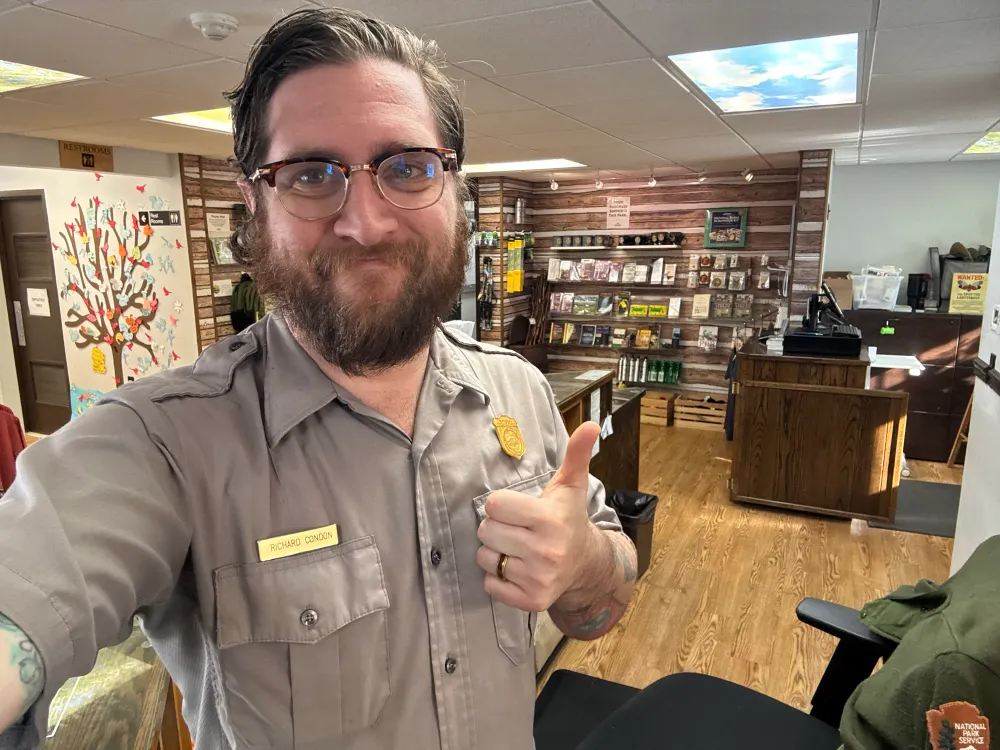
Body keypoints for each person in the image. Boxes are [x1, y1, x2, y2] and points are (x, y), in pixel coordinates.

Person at [0, 8, 637, 750]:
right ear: (254, 203)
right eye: (310, 174)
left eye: (407, 167)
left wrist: (583, 562)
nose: (366, 223)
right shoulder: (164, 442)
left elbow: (606, 597)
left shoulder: (518, 391)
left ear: (453, 186)